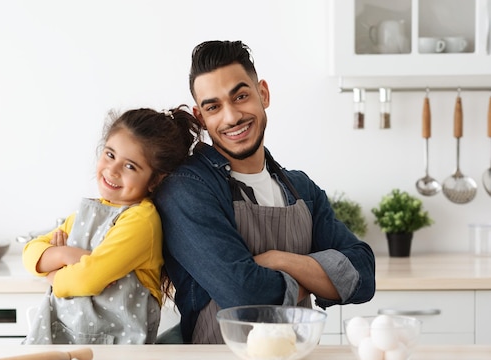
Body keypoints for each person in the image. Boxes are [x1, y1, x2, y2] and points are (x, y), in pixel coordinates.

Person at [154, 40, 376, 344]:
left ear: (264, 94)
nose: (231, 117)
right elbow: (245, 295)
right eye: (214, 107)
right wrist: (317, 278)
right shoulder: (187, 189)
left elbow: (363, 274)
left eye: (241, 96)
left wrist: (279, 260)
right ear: (200, 116)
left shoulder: (301, 188)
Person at [22, 106, 202, 345]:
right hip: (65, 341)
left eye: (130, 166)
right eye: (110, 154)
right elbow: (30, 252)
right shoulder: (86, 214)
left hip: (114, 353)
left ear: (155, 179)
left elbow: (87, 279)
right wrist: (67, 254)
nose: (113, 170)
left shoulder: (141, 221)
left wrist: (53, 275)